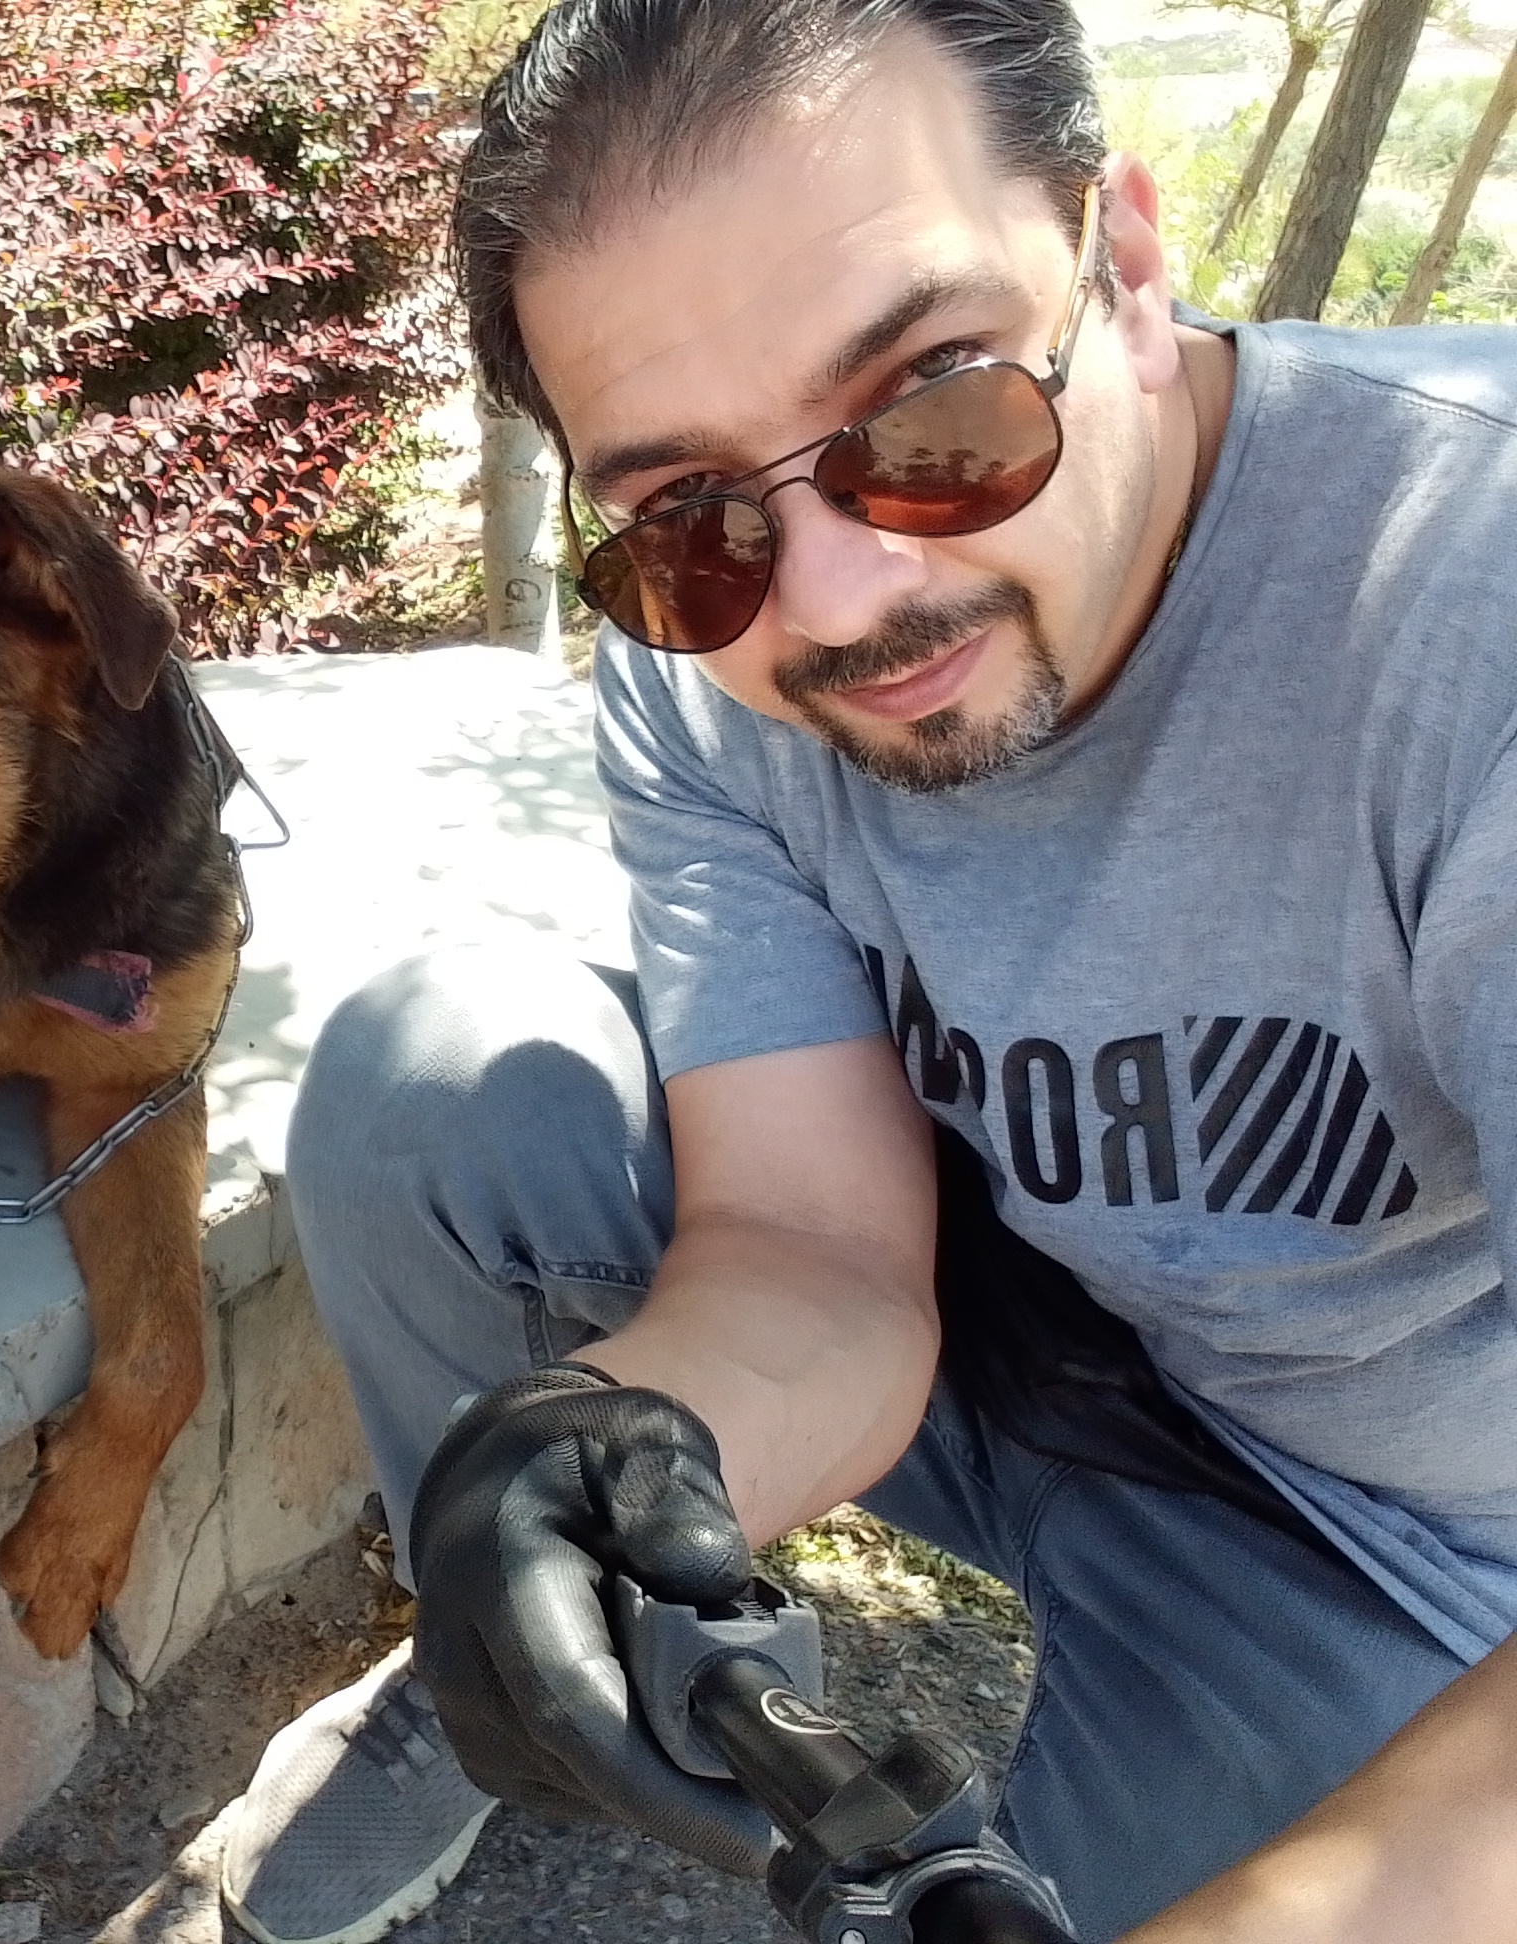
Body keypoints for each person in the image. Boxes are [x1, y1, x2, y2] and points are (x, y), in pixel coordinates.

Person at [209, 2, 1517, 1941]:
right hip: (1029, 1312)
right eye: (688, 510)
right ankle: (531, 1673)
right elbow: (812, 1238)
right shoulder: (703, 654)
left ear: (1124, 260)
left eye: (933, 410)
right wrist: (607, 1460)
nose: (836, 599)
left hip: (1399, 1541)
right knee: (439, 1079)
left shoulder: (1466, 597)